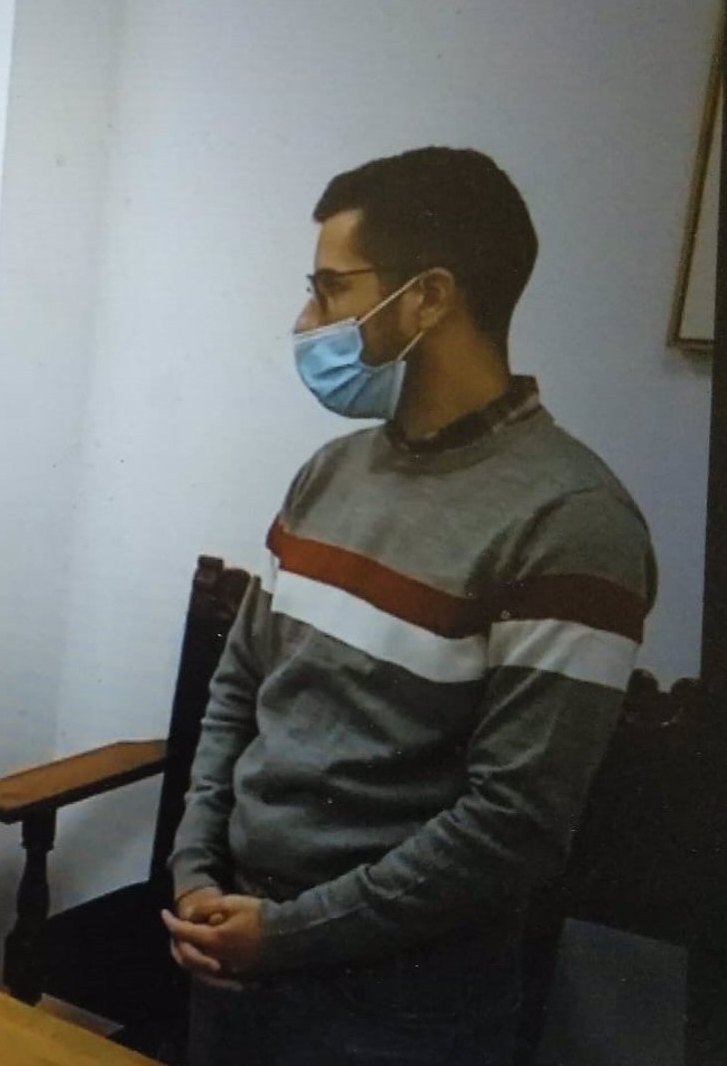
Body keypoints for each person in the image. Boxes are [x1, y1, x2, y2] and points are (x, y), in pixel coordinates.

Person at [161, 147, 657, 1066]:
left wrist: (287, 933)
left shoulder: (572, 523)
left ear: (429, 298)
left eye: (330, 288)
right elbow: (238, 691)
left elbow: (510, 827)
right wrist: (197, 878)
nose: (307, 322)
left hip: (399, 1011)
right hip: (234, 952)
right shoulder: (331, 472)